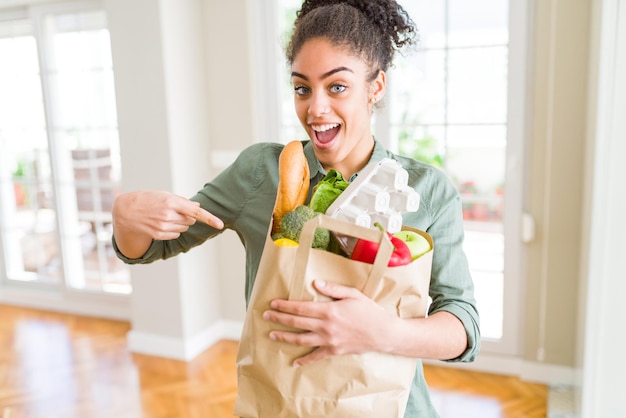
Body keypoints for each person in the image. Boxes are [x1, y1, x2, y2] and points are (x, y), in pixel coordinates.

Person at [112, 0, 480, 416]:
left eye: (336, 86)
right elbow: (147, 249)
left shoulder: (425, 190)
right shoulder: (261, 172)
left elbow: (463, 327)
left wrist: (383, 332)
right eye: (302, 88)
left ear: (376, 87)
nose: (315, 108)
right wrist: (126, 215)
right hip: (280, 401)